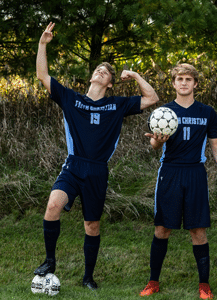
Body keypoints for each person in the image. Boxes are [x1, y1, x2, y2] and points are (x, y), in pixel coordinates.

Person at [33, 22, 159, 290]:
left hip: (98, 171)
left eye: (106, 72)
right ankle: (49, 261)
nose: (100, 72)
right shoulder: (71, 98)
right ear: (91, 77)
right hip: (73, 166)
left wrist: (136, 76)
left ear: (110, 83)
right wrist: (43, 44)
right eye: (97, 69)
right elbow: (43, 76)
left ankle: (88, 276)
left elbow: (152, 98)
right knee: (53, 205)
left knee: (91, 225)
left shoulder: (116, 105)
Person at [139, 63, 217, 299]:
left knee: (198, 230)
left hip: (195, 173)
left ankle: (204, 284)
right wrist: (158, 141)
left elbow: (215, 145)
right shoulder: (163, 112)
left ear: (195, 84)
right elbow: (155, 145)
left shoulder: (206, 112)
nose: (184, 83)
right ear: (174, 84)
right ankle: (153, 281)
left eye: (188, 79)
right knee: (162, 228)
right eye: (179, 79)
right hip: (170, 172)